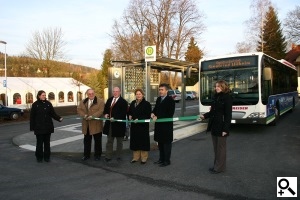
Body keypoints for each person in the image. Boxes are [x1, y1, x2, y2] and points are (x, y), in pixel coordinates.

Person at [200, 80, 232, 174]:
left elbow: (228, 115)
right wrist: (204, 116)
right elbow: (212, 112)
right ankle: (216, 166)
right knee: (216, 148)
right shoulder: (215, 97)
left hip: (221, 126)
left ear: (224, 87)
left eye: (219, 86)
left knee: (221, 149)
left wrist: (225, 129)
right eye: (216, 86)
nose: (217, 88)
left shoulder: (227, 98)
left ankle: (219, 168)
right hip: (214, 126)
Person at [30, 90, 63, 163]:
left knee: (47, 143)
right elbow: (32, 116)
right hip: (39, 128)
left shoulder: (48, 104)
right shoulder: (35, 104)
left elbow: (53, 113)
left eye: (45, 95)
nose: (44, 96)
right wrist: (32, 127)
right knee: (39, 143)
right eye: (43, 95)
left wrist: (59, 118)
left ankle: (47, 157)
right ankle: (39, 157)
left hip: (48, 127)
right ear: (39, 96)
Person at [151, 83, 175, 167]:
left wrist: (158, 116)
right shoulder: (158, 99)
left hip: (166, 127)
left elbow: (170, 113)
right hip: (159, 126)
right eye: (159, 90)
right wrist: (153, 113)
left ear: (166, 91)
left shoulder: (170, 100)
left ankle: (166, 161)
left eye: (162, 90)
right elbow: (155, 109)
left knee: (166, 144)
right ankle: (161, 159)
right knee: (160, 144)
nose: (160, 91)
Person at [77, 89, 105, 161]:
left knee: (98, 141)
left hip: (96, 125)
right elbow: (79, 109)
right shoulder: (83, 101)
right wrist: (84, 115)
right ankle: (86, 155)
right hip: (86, 125)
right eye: (89, 94)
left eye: (92, 93)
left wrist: (92, 116)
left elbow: (101, 111)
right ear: (87, 94)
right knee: (86, 141)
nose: (91, 95)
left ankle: (97, 155)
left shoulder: (100, 102)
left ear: (94, 93)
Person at [103, 86, 128, 162]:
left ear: (120, 92)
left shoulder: (123, 102)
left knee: (119, 142)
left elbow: (123, 113)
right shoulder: (109, 100)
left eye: (117, 91)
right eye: (114, 91)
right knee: (109, 141)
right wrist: (106, 114)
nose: (115, 93)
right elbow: (106, 109)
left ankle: (119, 156)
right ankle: (108, 156)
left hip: (119, 125)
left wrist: (115, 117)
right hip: (110, 124)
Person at [128, 89, 152, 164]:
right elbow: (129, 112)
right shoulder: (132, 103)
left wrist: (139, 119)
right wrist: (130, 115)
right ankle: (135, 157)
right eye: (137, 94)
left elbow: (148, 115)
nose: (138, 95)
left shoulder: (147, 104)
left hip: (142, 126)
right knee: (135, 142)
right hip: (134, 126)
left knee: (143, 141)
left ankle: (144, 158)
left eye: (140, 94)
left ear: (143, 95)